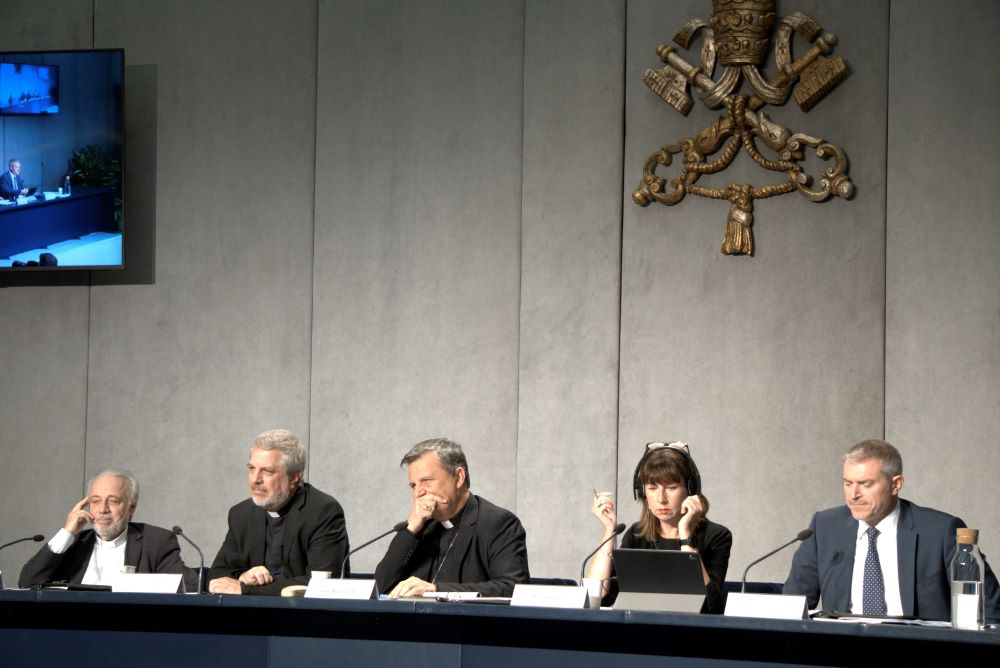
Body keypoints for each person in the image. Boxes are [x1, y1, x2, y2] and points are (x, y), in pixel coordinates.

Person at [784, 439, 1000, 621]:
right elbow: (791, 606)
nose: (853, 494)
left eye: (865, 484)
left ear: (895, 485)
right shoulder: (824, 527)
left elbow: (989, 611)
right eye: (848, 483)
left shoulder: (941, 532)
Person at [586, 441, 732, 613]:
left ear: (691, 490)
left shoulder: (717, 536)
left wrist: (685, 534)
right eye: (652, 487)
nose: (661, 498)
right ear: (642, 492)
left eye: (671, 487)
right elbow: (595, 597)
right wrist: (609, 531)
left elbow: (710, 607)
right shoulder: (636, 534)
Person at [374, 438, 530, 598]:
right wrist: (411, 529)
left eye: (426, 481)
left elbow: (513, 588)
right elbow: (380, 588)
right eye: (413, 485)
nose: (417, 493)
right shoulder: (419, 528)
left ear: (459, 477)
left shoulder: (499, 523)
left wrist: (436, 590)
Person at [208, 429, 350, 595]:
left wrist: (246, 589)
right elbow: (217, 575)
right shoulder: (241, 514)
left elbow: (322, 583)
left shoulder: (323, 511)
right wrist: (243, 576)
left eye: (267, 471)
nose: (255, 479)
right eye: (252, 468)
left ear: (294, 476)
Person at [18, 469, 188, 588]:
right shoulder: (74, 543)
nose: (103, 509)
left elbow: (186, 586)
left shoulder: (155, 541)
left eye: (113, 501)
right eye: (95, 501)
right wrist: (66, 533)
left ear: (131, 508)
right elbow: (27, 582)